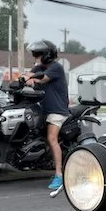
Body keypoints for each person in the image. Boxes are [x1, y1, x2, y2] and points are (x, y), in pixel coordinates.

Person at [23, 39, 70, 191]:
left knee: (51, 138)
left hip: (57, 111)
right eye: (34, 54)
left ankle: (59, 175)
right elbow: (29, 75)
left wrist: (30, 78)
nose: (35, 57)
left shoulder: (56, 68)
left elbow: (41, 79)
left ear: (47, 55)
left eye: (37, 54)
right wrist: (24, 78)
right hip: (44, 110)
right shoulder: (40, 67)